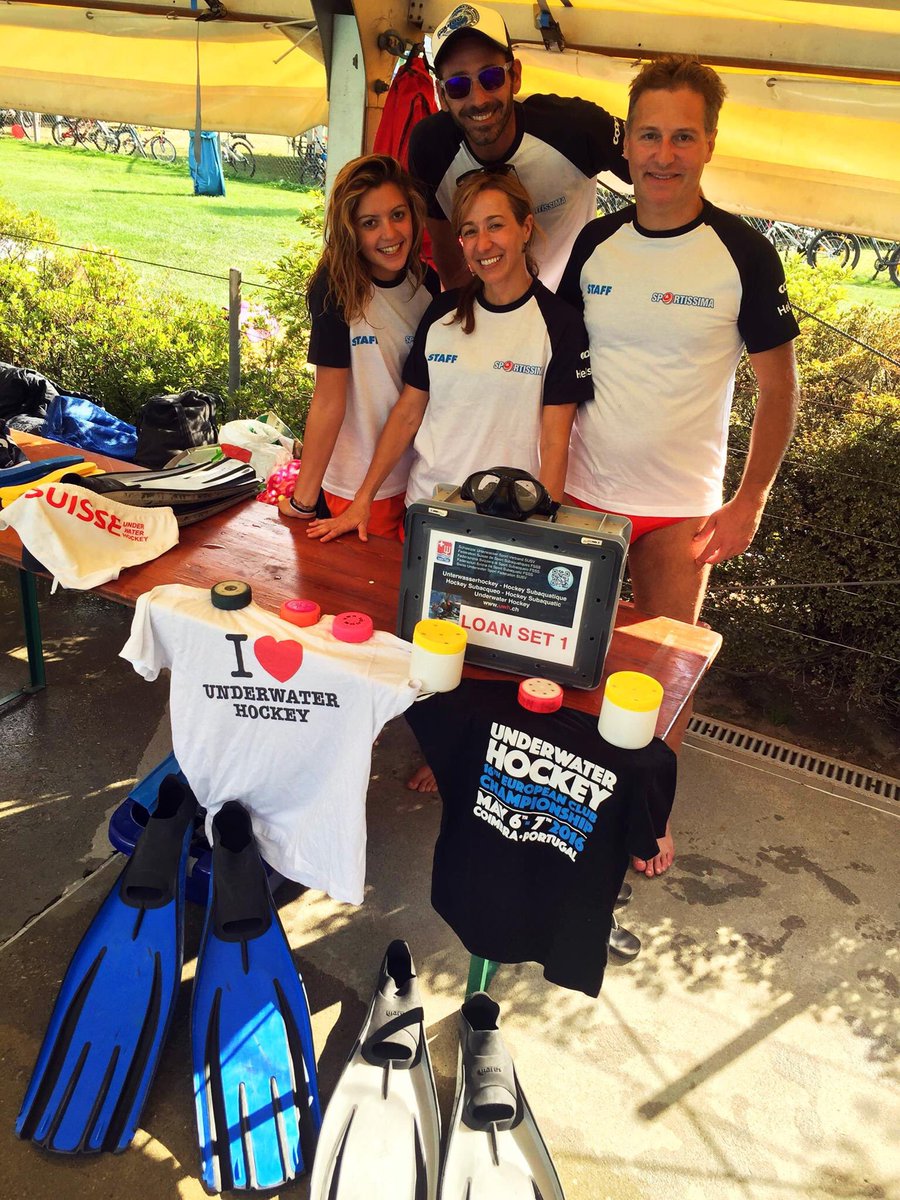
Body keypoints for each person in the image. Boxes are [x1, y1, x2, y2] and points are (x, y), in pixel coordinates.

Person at [558, 54, 801, 878]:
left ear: (709, 145)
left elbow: (778, 388)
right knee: (565, 662)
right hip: (584, 497)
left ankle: (650, 813)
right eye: (650, 135)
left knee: (665, 676)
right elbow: (559, 368)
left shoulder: (743, 252)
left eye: (683, 137)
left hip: (681, 510)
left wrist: (750, 499)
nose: (663, 154)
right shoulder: (595, 243)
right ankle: (554, 788)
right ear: (627, 143)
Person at [306, 168, 592, 545]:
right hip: (427, 512)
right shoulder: (441, 310)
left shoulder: (561, 324)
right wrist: (363, 498)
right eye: (470, 231)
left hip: (508, 524)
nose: (483, 244)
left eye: (495, 226)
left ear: (525, 228)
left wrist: (542, 531)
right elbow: (408, 412)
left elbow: (556, 443)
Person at [408, 2, 631, 291]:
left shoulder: (575, 127)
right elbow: (444, 249)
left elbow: (659, 170)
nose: (478, 99)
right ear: (441, 95)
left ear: (515, 76)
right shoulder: (430, 147)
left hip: (572, 306)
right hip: (492, 310)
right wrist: (472, 315)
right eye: (458, 86)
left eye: (491, 77)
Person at [278, 154, 438, 540]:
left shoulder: (427, 284)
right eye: (370, 223)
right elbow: (328, 400)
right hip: (357, 486)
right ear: (351, 230)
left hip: (420, 478)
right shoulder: (337, 287)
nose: (389, 233)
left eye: (398, 215)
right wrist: (305, 498)